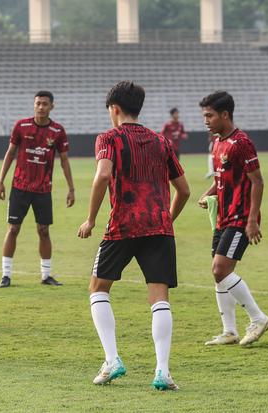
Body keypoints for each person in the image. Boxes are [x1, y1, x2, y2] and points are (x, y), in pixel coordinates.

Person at [78, 81, 190, 391]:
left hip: (124, 224)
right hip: (159, 226)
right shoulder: (161, 141)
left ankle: (112, 359)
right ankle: (163, 372)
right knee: (159, 297)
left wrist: (90, 219)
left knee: (98, 288)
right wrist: (167, 216)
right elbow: (184, 190)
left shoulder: (109, 138)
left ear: (114, 109)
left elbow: (102, 174)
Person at [198, 91, 268, 347]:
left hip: (240, 218)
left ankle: (258, 318)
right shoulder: (218, 142)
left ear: (225, 115)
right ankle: (229, 331)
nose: (205, 120)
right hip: (222, 216)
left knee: (221, 269)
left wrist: (252, 220)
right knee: (218, 274)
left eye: (209, 115)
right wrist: (208, 194)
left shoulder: (242, 143)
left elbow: (257, 182)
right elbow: (221, 178)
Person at [0, 91, 75, 288]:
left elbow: (64, 161)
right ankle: (6, 275)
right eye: (38, 103)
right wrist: (0, 180)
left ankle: (46, 275)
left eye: (45, 104)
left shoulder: (57, 131)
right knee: (13, 229)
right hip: (20, 187)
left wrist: (71, 188)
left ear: (51, 107)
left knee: (44, 231)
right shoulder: (21, 126)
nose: (41, 107)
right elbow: (10, 153)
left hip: (43, 189)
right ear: (34, 105)